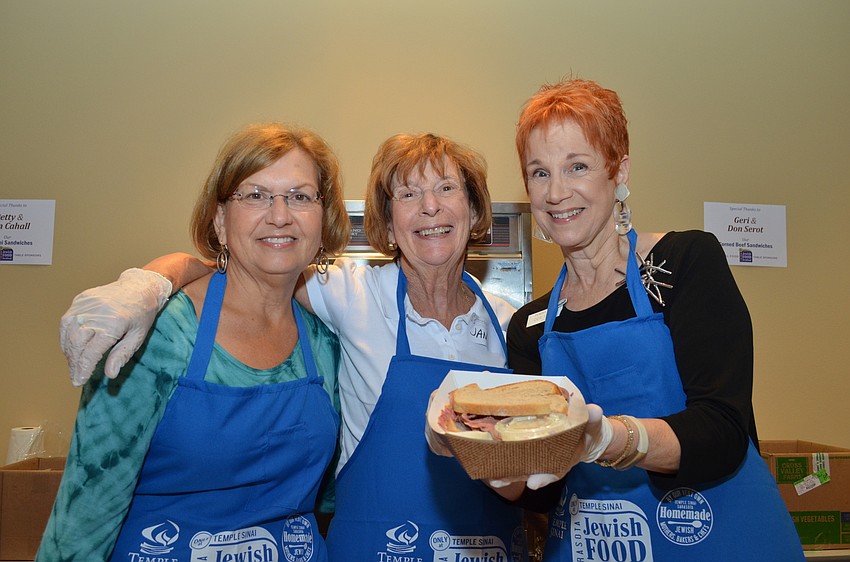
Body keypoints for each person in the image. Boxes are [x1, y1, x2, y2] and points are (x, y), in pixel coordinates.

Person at [57, 133, 530, 561]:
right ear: (388, 222)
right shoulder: (351, 293)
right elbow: (251, 260)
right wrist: (153, 281)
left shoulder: (510, 325)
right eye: (408, 194)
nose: (430, 208)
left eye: (446, 189)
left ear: (474, 211)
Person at [504, 78, 803, 560]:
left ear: (618, 172)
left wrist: (608, 438)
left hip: (720, 538)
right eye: (539, 173)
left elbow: (722, 428)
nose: (556, 192)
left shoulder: (683, 263)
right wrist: (497, 466)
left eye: (577, 166)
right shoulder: (532, 326)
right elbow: (544, 491)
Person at [38, 123, 350, 561]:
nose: (280, 214)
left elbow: (331, 499)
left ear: (323, 220)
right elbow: (88, 508)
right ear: (221, 220)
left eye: (300, 196)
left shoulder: (325, 340)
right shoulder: (159, 331)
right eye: (255, 195)